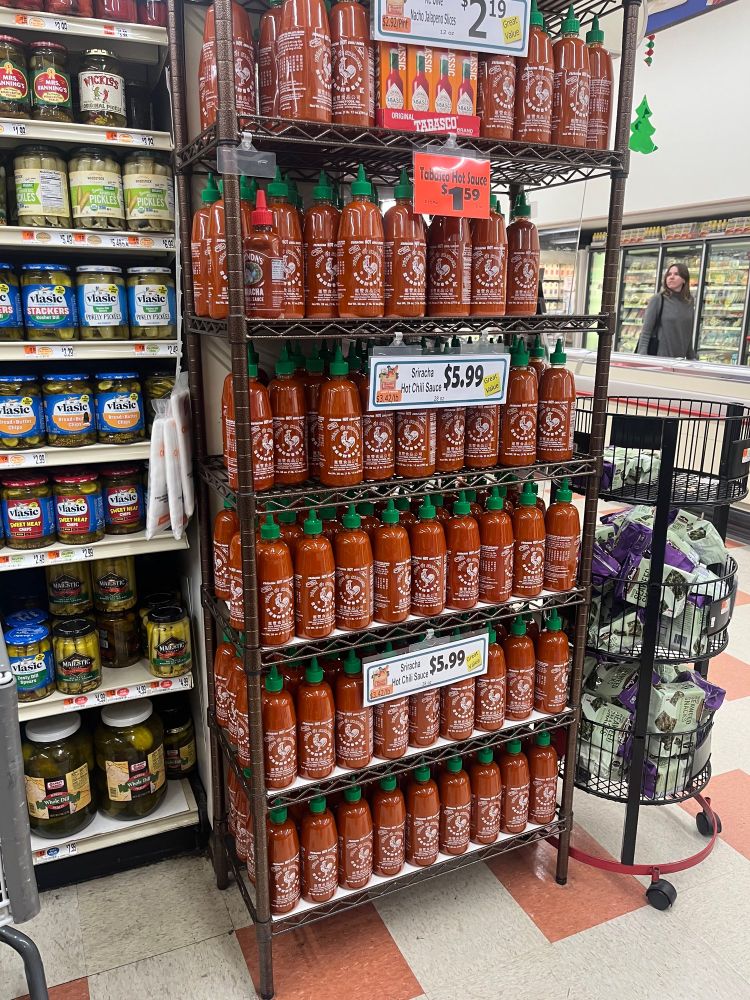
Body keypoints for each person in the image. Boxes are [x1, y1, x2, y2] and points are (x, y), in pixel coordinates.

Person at [636, 262, 695, 358]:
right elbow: (646, 332)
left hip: (679, 360)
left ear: (684, 280)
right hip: (660, 359)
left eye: (676, 274)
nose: (671, 277)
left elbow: (688, 333)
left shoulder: (689, 301)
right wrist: (642, 358)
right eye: (669, 274)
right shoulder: (658, 299)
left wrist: (691, 358)